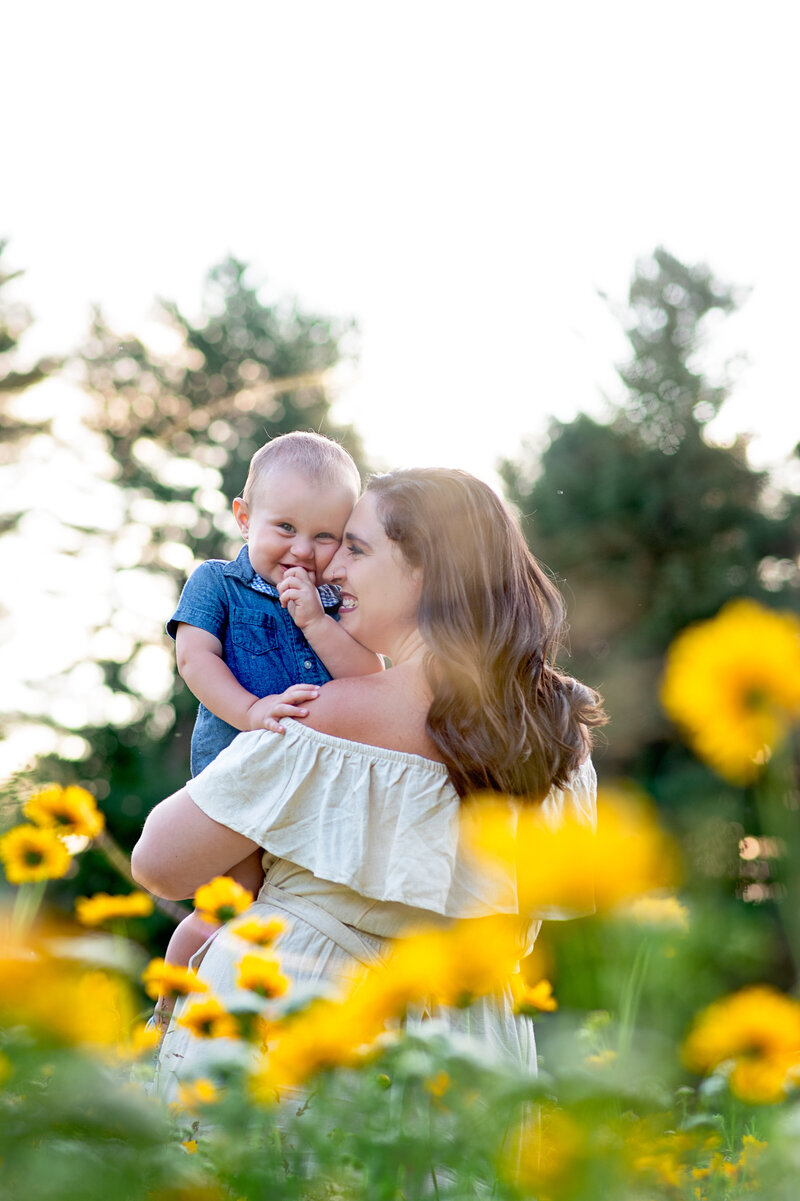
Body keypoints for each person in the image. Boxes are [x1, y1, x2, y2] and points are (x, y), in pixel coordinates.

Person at [132, 467, 605, 1099]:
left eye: (354, 548)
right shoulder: (560, 741)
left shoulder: (331, 714)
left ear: (426, 570)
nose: (329, 570)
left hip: (300, 1033)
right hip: (472, 1062)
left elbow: (161, 862)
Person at [154, 432, 383, 1027]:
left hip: (313, 790)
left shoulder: (335, 600)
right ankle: (174, 989)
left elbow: (370, 676)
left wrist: (314, 617)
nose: (302, 551)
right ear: (244, 516)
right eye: (285, 528)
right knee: (237, 898)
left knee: (292, 909)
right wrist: (252, 712)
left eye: (324, 536)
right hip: (241, 773)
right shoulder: (216, 583)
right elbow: (194, 660)